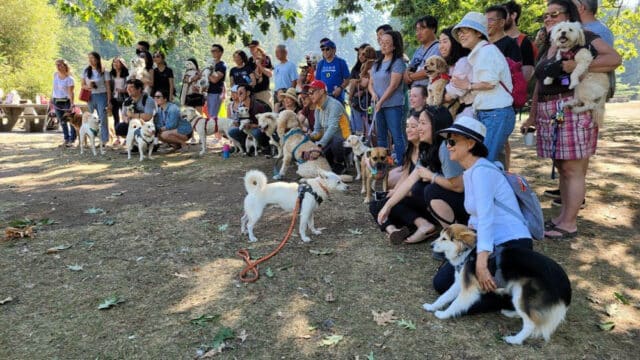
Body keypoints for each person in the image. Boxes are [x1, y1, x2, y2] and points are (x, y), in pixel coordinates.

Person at [520, 0, 620, 239]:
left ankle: (569, 223)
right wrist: (532, 115)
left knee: (573, 168)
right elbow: (539, 86)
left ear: (570, 15)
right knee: (563, 167)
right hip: (550, 110)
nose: (548, 19)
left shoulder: (584, 35)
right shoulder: (551, 44)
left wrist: (580, 66)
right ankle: (563, 216)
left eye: (554, 14)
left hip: (573, 109)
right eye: (545, 16)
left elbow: (614, 59)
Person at [430, 115, 533, 314]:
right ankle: (501, 293)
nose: (448, 146)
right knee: (442, 283)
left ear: (470, 144)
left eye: (452, 141)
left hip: (510, 244)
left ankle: (510, 300)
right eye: (446, 141)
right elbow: (476, 218)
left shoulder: (482, 172)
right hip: (492, 242)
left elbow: (486, 218)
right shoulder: (471, 171)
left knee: (469, 298)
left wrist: (481, 262)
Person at [377, 106, 466, 245]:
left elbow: (459, 187)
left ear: (436, 124)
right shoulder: (427, 148)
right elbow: (410, 179)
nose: (419, 128)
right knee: (386, 202)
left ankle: (454, 238)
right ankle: (415, 226)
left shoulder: (445, 147)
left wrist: (432, 176)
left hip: (464, 203)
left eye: (423, 123)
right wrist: (387, 206)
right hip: (444, 201)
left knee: (429, 190)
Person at [450, 12, 514, 163]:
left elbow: (489, 83)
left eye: (465, 31)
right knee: (490, 161)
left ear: (478, 32)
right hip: (491, 113)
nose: (461, 35)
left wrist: (467, 85)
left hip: (495, 113)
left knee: (484, 161)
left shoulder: (486, 52)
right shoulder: (482, 52)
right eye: (459, 32)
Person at [369, 30, 407, 165]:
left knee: (397, 136)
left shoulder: (397, 62)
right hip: (378, 105)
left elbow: (393, 86)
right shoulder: (376, 63)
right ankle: (382, 165)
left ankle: (402, 164)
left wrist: (381, 101)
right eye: (382, 43)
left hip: (393, 105)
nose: (383, 46)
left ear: (394, 46)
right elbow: (370, 83)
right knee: (381, 137)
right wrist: (373, 95)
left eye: (387, 43)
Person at [306, 80, 351, 174]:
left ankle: (340, 163)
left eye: (312, 92)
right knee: (308, 140)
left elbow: (332, 129)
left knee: (335, 140)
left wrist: (319, 145)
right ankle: (331, 165)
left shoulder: (334, 105)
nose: (310, 95)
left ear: (322, 91)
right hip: (329, 141)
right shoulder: (317, 108)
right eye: (308, 93)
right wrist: (308, 137)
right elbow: (317, 131)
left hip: (345, 141)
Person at [439, 27, 473, 118]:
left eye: (445, 41)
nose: (441, 46)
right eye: (440, 42)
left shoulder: (464, 62)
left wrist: (434, 98)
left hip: (468, 113)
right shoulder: (450, 66)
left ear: (455, 43)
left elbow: (450, 95)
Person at [227, 84, 271, 155]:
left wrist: (253, 125)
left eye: (241, 93)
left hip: (261, 130)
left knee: (255, 132)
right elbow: (239, 122)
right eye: (237, 93)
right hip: (247, 131)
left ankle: (264, 146)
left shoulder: (259, 106)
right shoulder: (240, 106)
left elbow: (268, 124)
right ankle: (246, 146)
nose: (238, 95)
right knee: (232, 131)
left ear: (248, 93)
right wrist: (237, 123)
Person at [81, 51, 112, 146]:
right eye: (89, 58)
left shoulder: (104, 71)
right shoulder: (85, 71)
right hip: (90, 96)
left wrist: (109, 100)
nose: (91, 60)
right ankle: (92, 138)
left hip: (101, 95)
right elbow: (82, 85)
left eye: (93, 58)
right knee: (90, 118)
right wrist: (89, 86)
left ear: (97, 59)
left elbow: (108, 87)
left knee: (102, 118)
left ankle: (104, 140)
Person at [502, 1, 536, 81]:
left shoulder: (524, 42)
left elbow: (527, 76)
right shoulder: (494, 40)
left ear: (513, 15)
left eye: (503, 15)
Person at [348, 44, 377, 135]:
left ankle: (361, 134)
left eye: (363, 54)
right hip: (357, 99)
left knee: (367, 119)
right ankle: (356, 132)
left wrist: (362, 89)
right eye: (359, 54)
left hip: (367, 100)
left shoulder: (371, 64)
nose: (360, 56)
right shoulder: (356, 68)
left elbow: (366, 81)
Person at [405, 16, 441, 87]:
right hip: (415, 93)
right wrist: (406, 74)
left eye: (422, 29)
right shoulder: (419, 49)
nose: (418, 33)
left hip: (428, 93)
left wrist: (410, 77)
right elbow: (411, 66)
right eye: (417, 30)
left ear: (433, 29)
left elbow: (430, 70)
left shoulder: (438, 47)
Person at [52, 59, 76, 146]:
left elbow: (71, 92)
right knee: (62, 121)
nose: (58, 67)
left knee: (70, 121)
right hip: (56, 100)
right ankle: (66, 138)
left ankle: (72, 140)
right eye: (57, 65)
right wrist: (51, 99)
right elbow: (54, 88)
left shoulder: (69, 79)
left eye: (60, 65)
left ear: (65, 66)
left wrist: (72, 103)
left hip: (66, 101)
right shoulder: (55, 75)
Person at [247, 41, 274, 109]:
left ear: (258, 47)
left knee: (268, 112)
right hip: (252, 92)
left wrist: (259, 65)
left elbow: (270, 74)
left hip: (264, 91)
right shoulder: (249, 60)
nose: (251, 49)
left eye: (253, 47)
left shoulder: (265, 58)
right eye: (250, 47)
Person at [110, 57, 129, 146]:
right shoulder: (111, 74)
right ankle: (117, 138)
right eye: (114, 62)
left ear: (122, 64)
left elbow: (129, 87)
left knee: (125, 117)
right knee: (115, 118)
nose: (116, 64)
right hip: (114, 98)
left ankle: (127, 137)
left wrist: (123, 90)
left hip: (124, 98)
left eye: (118, 62)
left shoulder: (126, 74)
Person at [206, 44, 227, 119]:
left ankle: (214, 130)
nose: (213, 53)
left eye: (215, 51)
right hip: (208, 92)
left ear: (220, 52)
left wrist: (206, 74)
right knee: (209, 116)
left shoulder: (222, 66)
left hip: (216, 93)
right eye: (212, 51)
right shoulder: (210, 64)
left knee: (212, 116)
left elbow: (214, 80)